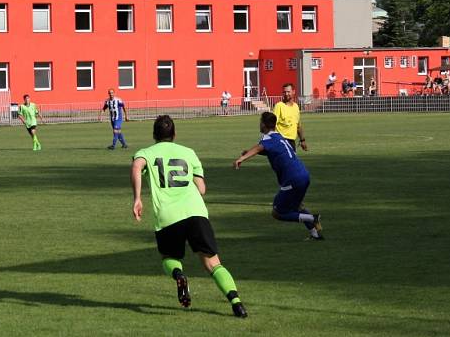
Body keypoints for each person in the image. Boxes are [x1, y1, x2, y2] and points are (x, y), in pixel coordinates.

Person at [130, 115, 247, 317]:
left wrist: (137, 198)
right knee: (212, 262)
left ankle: (179, 275)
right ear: (175, 134)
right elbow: (201, 189)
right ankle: (236, 303)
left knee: (170, 257)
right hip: (196, 212)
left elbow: (136, 166)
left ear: (154, 135)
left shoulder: (146, 153)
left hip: (168, 215)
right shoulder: (188, 152)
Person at [234, 112, 323, 240]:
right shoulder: (279, 137)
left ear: (263, 124)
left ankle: (312, 218)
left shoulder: (267, 138)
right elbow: (270, 151)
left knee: (278, 212)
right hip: (304, 175)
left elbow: (259, 148)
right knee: (297, 206)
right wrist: (249, 153)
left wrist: (242, 158)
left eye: (260, 121)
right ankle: (315, 234)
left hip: (292, 179)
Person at [272, 83, 307, 152]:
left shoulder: (296, 107)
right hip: (281, 141)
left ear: (293, 92)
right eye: (284, 92)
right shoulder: (279, 106)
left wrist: (302, 140)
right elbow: (272, 125)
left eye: (288, 92)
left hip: (291, 142)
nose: (286, 94)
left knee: (291, 162)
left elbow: (298, 126)